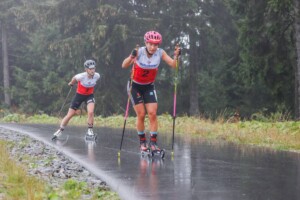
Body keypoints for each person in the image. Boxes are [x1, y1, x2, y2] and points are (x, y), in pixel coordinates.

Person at [121, 31, 181, 152]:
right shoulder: (139, 52)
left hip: (148, 86)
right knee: (141, 114)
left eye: (156, 44)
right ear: (146, 43)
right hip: (135, 86)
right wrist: (131, 56)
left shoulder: (160, 53)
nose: (153, 47)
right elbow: (124, 65)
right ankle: (142, 142)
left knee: (153, 113)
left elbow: (174, 65)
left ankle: (153, 143)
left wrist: (176, 56)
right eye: (151, 44)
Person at [52, 59, 100, 140]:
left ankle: (90, 131)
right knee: (70, 114)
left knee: (91, 112)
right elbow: (74, 78)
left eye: (93, 68)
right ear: (86, 69)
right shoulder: (81, 76)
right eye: (90, 69)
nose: (92, 71)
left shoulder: (97, 76)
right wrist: (71, 83)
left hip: (89, 96)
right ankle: (60, 130)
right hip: (79, 96)